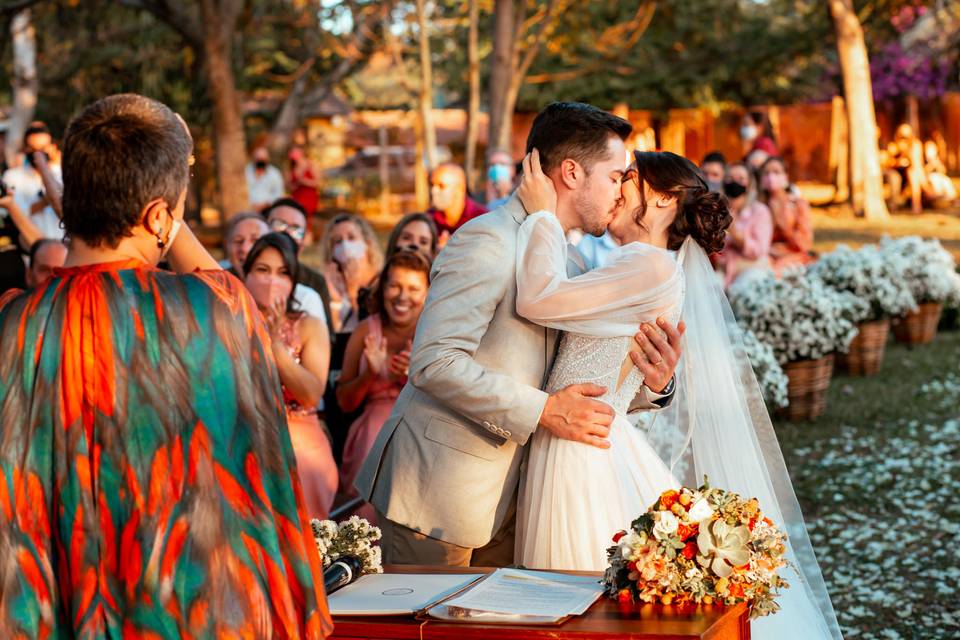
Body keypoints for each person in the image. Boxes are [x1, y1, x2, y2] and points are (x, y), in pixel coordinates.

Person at [0, 93, 331, 637]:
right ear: (159, 216)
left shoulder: (15, 327)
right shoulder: (209, 314)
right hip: (196, 613)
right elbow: (226, 289)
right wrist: (168, 198)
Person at [514, 148, 842, 640]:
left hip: (581, 453)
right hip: (582, 438)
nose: (619, 187)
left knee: (580, 612)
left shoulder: (650, 266)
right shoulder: (638, 263)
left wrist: (541, 214)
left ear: (664, 199)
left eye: (630, 178)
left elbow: (538, 297)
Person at [354, 102, 683, 568]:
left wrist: (654, 383)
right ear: (571, 172)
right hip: (441, 497)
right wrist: (546, 411)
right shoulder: (487, 239)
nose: (621, 192)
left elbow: (576, 382)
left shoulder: (571, 263)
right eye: (614, 177)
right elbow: (434, 361)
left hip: (525, 500)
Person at [243, 232, 336, 519]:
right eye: (262, 270)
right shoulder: (227, 321)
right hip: (246, 434)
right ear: (245, 275)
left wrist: (278, 348)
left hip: (300, 438)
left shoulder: (309, 326)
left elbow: (311, 393)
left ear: (293, 281)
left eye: (282, 273)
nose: (272, 280)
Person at [337, 250, 432, 521]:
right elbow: (344, 402)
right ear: (383, 289)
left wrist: (414, 375)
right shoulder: (365, 331)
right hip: (372, 426)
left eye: (413, 289)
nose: (402, 297)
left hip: (420, 423)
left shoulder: (433, 331)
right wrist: (370, 374)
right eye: (394, 286)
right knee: (371, 444)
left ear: (427, 293)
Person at [224, 210, 328, 324]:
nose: (245, 248)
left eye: (255, 240)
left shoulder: (306, 299)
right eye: (238, 241)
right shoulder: (216, 287)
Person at [266, 198, 335, 334]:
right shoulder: (242, 274)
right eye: (279, 224)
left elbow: (328, 338)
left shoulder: (315, 282)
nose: (286, 234)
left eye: (296, 230)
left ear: (304, 240)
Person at [320, 213, 383, 334]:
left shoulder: (382, 281)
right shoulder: (330, 285)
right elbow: (331, 334)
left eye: (351, 237)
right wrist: (335, 301)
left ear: (367, 244)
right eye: (338, 241)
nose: (345, 245)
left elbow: (372, 331)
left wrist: (352, 293)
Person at [2, 121, 64, 241]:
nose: (38, 155)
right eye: (33, 149)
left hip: (64, 248)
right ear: (25, 149)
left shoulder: (62, 174)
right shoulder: (13, 177)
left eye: (43, 148)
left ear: (52, 147)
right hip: (33, 249)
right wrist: (47, 199)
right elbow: (17, 214)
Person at [716, 162, 773, 288]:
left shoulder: (760, 211)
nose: (734, 183)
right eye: (730, 178)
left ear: (749, 185)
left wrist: (737, 235)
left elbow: (759, 250)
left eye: (741, 179)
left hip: (751, 269)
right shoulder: (718, 210)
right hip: (722, 271)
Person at [759, 156, 813, 272]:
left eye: (776, 172)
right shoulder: (759, 205)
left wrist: (783, 223)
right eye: (767, 173)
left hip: (794, 256)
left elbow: (805, 243)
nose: (771, 177)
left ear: (785, 176)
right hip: (765, 256)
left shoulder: (798, 204)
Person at [428, 163, 488, 245]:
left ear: (459, 188)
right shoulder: (429, 219)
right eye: (432, 185)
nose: (433, 191)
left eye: (441, 186)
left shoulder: (482, 218)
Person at [287, 146, 320, 231]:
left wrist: (304, 181)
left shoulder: (311, 166)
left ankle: (308, 236)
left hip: (309, 198)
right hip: (297, 197)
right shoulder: (292, 169)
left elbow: (317, 182)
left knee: (308, 218)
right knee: (297, 218)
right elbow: (290, 187)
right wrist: (297, 184)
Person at [245, 144, 285, 212]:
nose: (260, 162)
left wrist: (264, 205)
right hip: (247, 209)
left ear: (267, 159)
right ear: (253, 159)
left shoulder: (275, 174)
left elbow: (278, 193)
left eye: (262, 159)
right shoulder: (246, 172)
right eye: (258, 159)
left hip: (267, 210)